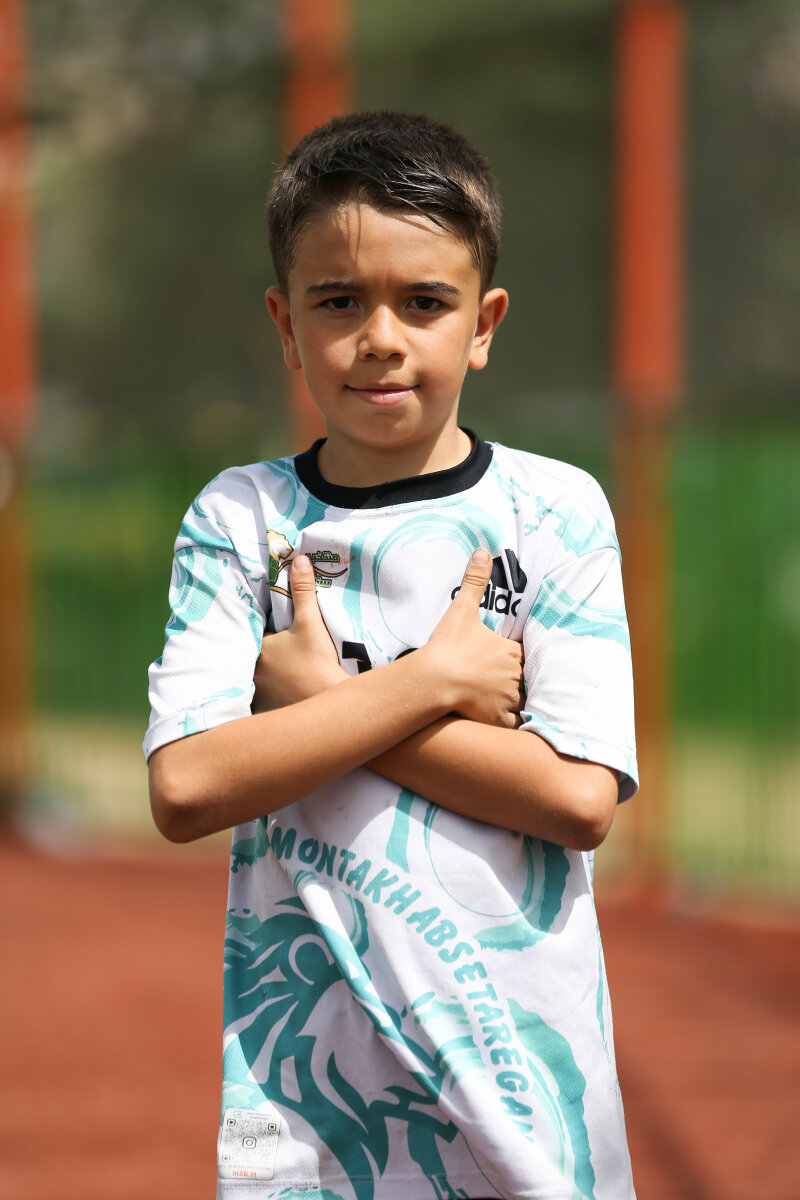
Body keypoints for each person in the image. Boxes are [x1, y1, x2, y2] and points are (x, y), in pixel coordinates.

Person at [145, 110, 638, 1200]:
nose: (380, 336)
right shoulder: (240, 520)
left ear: (483, 322)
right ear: (285, 323)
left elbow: (576, 800)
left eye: (423, 302)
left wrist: (324, 702)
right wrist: (429, 686)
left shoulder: (555, 510)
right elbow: (185, 786)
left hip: (527, 1096)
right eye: (337, 301)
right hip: (305, 1114)